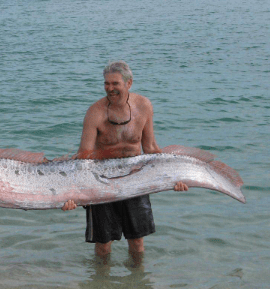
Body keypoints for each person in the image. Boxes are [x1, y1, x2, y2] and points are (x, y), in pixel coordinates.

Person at [62, 60, 188, 259]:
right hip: (102, 181)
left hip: (135, 178)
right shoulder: (95, 112)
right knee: (103, 245)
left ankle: (138, 287)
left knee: (137, 243)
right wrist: (73, 195)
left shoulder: (144, 106)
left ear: (129, 83)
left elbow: (151, 149)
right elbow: (84, 157)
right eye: (106, 84)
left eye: (115, 84)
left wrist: (175, 178)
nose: (110, 89)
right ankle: (101, 287)